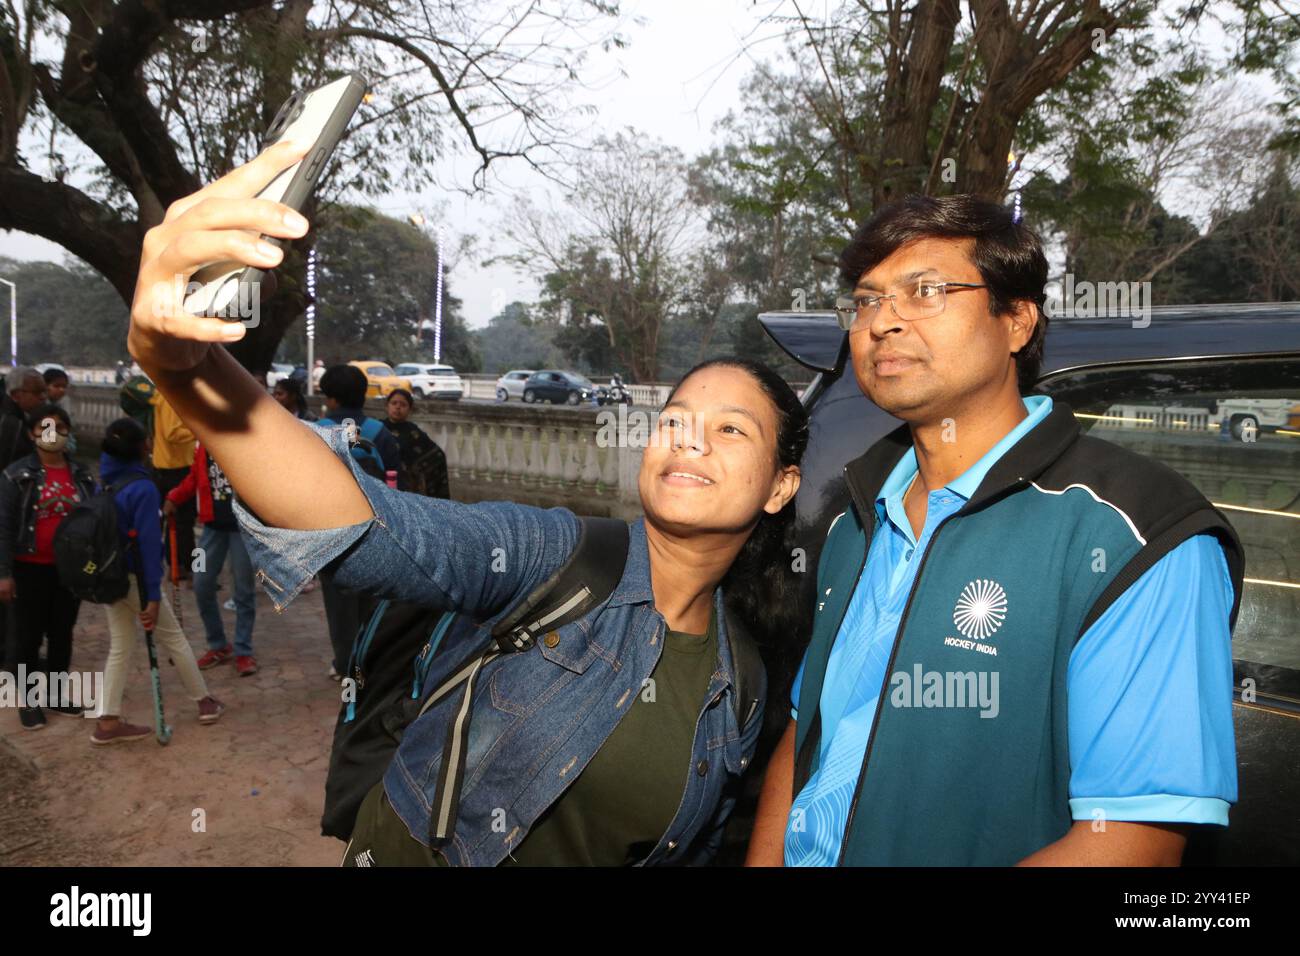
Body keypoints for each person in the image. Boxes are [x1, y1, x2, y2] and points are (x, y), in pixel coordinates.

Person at [124, 141, 805, 864]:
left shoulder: (744, 682)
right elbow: (361, 523)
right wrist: (181, 364)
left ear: (780, 486)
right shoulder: (557, 558)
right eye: (674, 419)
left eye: (730, 429)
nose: (690, 440)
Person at [746, 194, 1244, 867]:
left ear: (1016, 320)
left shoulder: (1134, 531)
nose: (882, 322)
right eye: (866, 300)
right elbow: (809, 730)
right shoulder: (855, 514)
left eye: (925, 291)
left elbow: (1132, 843)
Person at [93, 417, 224, 745]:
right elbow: (150, 548)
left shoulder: (103, 483)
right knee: (174, 638)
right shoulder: (142, 489)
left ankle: (107, 722)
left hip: (110, 577)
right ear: (141, 446)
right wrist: (152, 595)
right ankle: (205, 702)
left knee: (120, 645)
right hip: (137, 580)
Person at [0, 405, 96, 729]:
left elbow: (94, 521)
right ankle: (28, 700)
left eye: (60, 427)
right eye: (45, 427)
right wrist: (4, 573)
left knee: (61, 634)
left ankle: (55, 694)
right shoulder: (16, 476)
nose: (54, 433)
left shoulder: (82, 475)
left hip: (67, 571)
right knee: (26, 637)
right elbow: (4, 527)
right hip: (28, 569)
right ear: (32, 434)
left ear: (68, 432)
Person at [314, 364, 401, 680]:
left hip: (332, 534)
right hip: (374, 530)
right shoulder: (380, 433)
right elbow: (394, 482)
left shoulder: (317, 430)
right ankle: (372, 664)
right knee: (374, 603)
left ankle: (345, 665)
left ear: (332, 399)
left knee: (339, 607)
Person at [164, 442, 258, 676]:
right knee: (200, 584)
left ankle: (243, 650)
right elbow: (195, 477)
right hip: (210, 528)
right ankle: (218, 645)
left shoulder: (247, 443)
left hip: (242, 530)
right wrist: (174, 497)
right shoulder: (203, 446)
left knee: (243, 591)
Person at [149, 389, 197, 582]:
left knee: (181, 522)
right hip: (175, 469)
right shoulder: (170, 397)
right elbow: (172, 432)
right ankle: (183, 567)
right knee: (180, 522)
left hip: (178, 466)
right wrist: (199, 429)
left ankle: (185, 567)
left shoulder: (174, 396)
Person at [382, 389, 448, 499]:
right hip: (381, 484)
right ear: (387, 406)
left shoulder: (414, 433)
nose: (398, 407)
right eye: (394, 403)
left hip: (408, 489)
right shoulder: (379, 428)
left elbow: (437, 455)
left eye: (403, 405)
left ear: (410, 410)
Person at [0, 366, 46, 471]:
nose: (43, 397)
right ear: (16, 395)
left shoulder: (21, 417)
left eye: (44, 392)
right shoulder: (10, 424)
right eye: (37, 392)